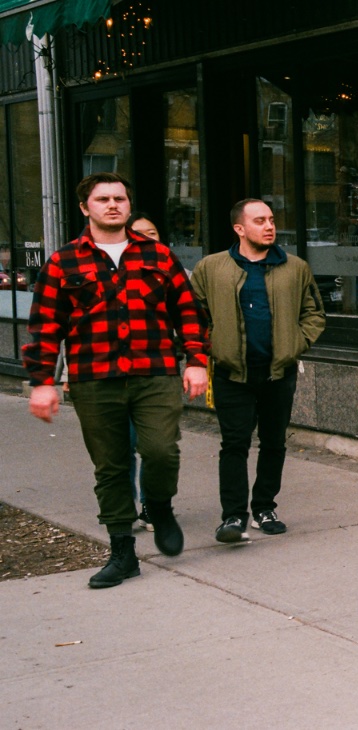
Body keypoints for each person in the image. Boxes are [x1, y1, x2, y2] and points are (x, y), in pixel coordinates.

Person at [23, 172, 209, 589]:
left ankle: (159, 507)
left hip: (155, 372)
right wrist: (42, 381)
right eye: (103, 199)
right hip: (94, 379)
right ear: (84, 207)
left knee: (161, 451)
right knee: (111, 466)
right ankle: (122, 551)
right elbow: (45, 327)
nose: (113, 205)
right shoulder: (63, 262)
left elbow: (189, 312)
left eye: (120, 198)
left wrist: (196, 360)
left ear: (128, 205)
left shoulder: (158, 255)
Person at [189, 199, 326, 543]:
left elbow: (314, 313)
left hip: (277, 372)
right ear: (240, 228)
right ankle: (233, 517)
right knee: (234, 444)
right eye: (260, 220)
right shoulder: (211, 267)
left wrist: (296, 343)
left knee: (274, 442)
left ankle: (265, 506)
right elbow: (193, 316)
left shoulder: (294, 268)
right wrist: (214, 345)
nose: (269, 226)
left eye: (271, 220)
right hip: (231, 373)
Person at [126, 213, 161, 532]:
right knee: (121, 446)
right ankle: (124, 506)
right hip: (112, 375)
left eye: (153, 232)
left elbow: (193, 317)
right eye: (140, 233)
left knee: (155, 446)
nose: (148, 238)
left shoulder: (176, 272)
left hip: (158, 373)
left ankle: (152, 504)